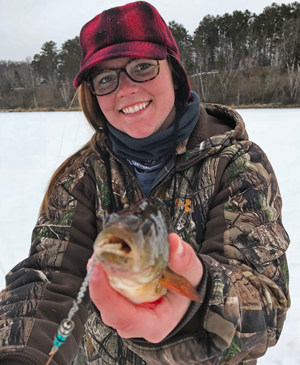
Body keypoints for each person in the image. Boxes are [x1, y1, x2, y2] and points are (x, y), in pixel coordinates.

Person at [0, 1, 290, 365]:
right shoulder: (81, 176)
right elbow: (52, 280)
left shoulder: (237, 167)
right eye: (106, 78)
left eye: (142, 67)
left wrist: (194, 301)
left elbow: (267, 306)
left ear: (175, 72)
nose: (126, 90)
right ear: (94, 94)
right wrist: (22, 355)